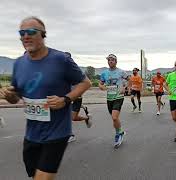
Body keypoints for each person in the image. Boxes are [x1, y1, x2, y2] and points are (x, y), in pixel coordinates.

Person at [0, 16, 91, 180]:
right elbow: (17, 97)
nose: (26, 36)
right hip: (31, 135)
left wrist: (65, 99)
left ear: (43, 35)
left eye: (31, 31)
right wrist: (10, 96)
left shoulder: (61, 59)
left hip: (57, 132)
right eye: (22, 33)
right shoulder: (19, 63)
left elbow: (85, 83)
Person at [99, 54, 127, 148]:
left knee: (115, 117)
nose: (110, 61)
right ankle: (120, 131)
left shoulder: (121, 72)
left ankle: (118, 134)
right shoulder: (104, 73)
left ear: (116, 61)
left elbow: (129, 80)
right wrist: (102, 87)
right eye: (109, 60)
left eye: (112, 60)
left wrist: (125, 88)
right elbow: (101, 84)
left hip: (119, 97)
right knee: (114, 118)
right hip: (109, 98)